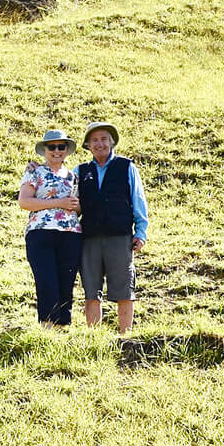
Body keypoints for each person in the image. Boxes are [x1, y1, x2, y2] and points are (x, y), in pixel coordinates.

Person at [77, 120, 148, 335]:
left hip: (120, 236)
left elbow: (138, 200)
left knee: (124, 288)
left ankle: (125, 336)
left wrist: (141, 232)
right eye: (95, 140)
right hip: (88, 237)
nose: (100, 144)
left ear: (112, 142)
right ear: (88, 145)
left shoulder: (127, 167)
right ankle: (93, 337)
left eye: (104, 139)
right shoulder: (80, 171)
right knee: (91, 289)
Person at [17, 129, 82, 326]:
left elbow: (77, 207)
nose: (56, 151)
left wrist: (73, 205)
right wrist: (58, 203)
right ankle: (47, 326)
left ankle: (63, 327)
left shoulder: (73, 176)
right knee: (46, 281)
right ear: (44, 150)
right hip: (41, 232)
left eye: (61, 147)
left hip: (70, 234)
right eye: (51, 147)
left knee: (66, 282)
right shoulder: (34, 171)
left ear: (66, 150)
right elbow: (24, 201)